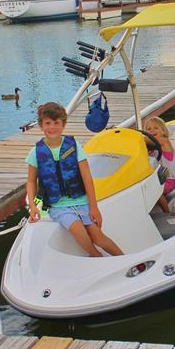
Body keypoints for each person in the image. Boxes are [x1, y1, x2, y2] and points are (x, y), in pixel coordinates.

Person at [26, 102, 123, 257]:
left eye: (56, 123)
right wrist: (32, 206)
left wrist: (94, 207)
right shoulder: (35, 152)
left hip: (82, 201)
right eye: (48, 123)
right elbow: (31, 181)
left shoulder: (74, 146)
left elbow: (87, 177)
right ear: (41, 125)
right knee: (80, 232)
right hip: (59, 207)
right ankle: (97, 258)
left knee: (98, 237)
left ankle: (124, 258)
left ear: (63, 124)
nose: (52, 127)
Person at [143, 116, 175, 213]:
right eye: (148, 129)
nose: (152, 130)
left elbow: (147, 141)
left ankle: (167, 213)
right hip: (156, 179)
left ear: (163, 131)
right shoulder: (151, 148)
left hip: (168, 180)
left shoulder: (164, 142)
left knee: (154, 189)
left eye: (155, 128)